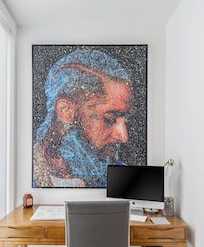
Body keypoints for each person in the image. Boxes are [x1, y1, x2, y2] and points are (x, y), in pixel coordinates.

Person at [33, 49, 134, 187]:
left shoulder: (124, 179)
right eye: (110, 119)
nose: (123, 137)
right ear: (66, 111)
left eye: (125, 120)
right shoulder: (34, 177)